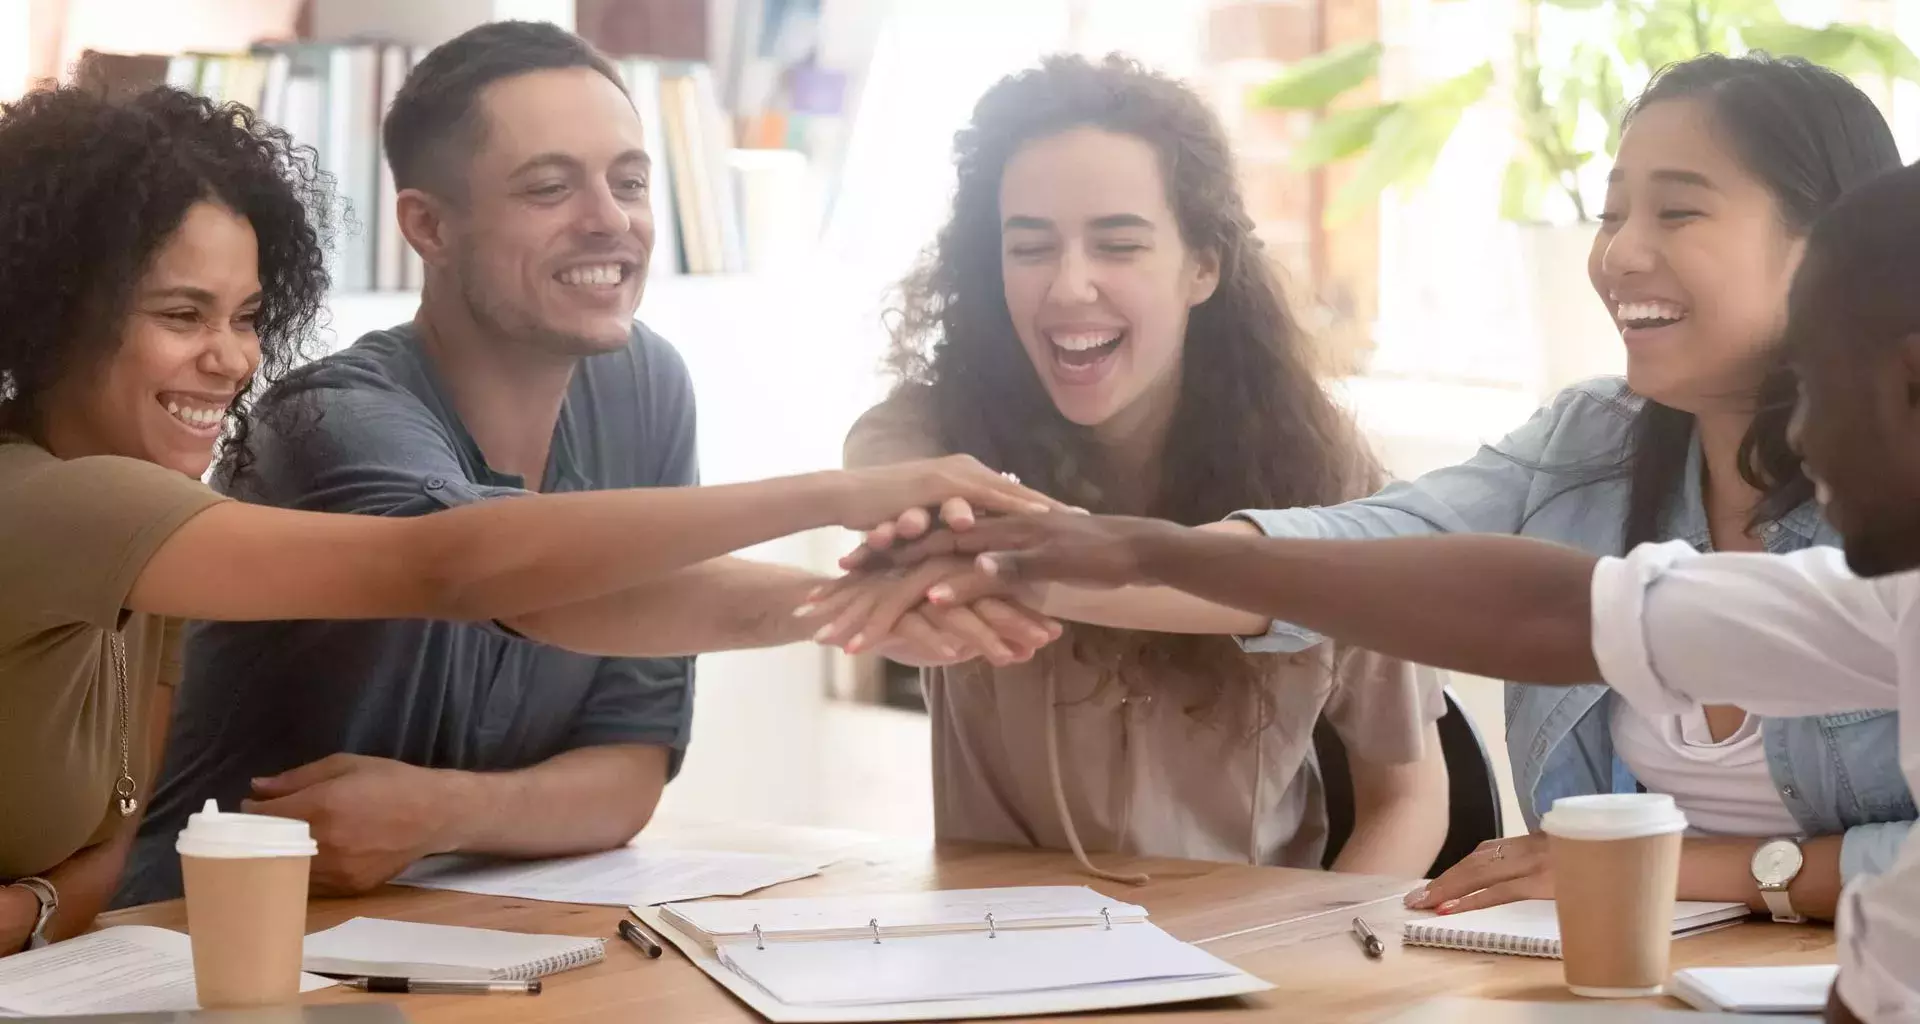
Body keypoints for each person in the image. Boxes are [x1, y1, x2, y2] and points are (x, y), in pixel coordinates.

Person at [849, 156, 1920, 1022]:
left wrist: (1136, 553)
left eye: (1819, 384)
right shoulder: (1854, 587)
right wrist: (1140, 553)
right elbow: (1568, 608)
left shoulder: (1307, 450)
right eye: (1027, 242)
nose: (1802, 431)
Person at [0, 80, 1050, 950]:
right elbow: (451, 567)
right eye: (181, 315)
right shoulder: (69, 498)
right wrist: (837, 494)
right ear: (52, 309)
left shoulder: (155, 531)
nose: (231, 358)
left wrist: (843, 600)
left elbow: (551, 609)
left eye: (244, 317)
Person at [835, 53, 1449, 881]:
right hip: (999, 963)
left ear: (1204, 266)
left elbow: (1408, 797)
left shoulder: (1327, 475)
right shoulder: (918, 439)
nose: (1069, 286)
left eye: (1119, 244)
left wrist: (1320, 957)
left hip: (1248, 970)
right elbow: (911, 530)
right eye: (1030, 247)